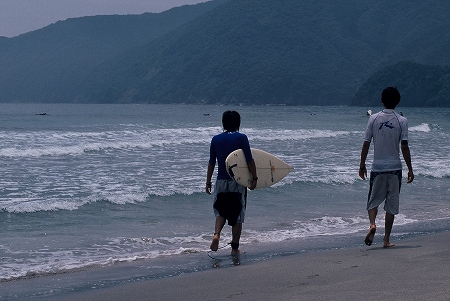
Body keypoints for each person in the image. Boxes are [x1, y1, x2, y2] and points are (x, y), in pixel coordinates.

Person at [359, 87, 414, 248]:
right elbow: (404, 146)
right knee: (391, 205)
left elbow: (366, 143)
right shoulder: (402, 121)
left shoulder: (373, 119)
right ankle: (386, 240)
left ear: (382, 100)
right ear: (397, 102)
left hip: (378, 168)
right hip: (395, 169)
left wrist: (362, 165)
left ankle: (372, 225)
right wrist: (410, 169)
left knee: (372, 202)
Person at [205, 110, 257, 256]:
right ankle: (234, 248)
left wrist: (208, 182)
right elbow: (249, 160)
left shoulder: (215, 139)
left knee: (221, 211)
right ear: (237, 123)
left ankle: (216, 235)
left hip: (220, 181)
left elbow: (211, 163)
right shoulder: (241, 138)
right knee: (237, 215)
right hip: (237, 182)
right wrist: (255, 178)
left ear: (224, 123)